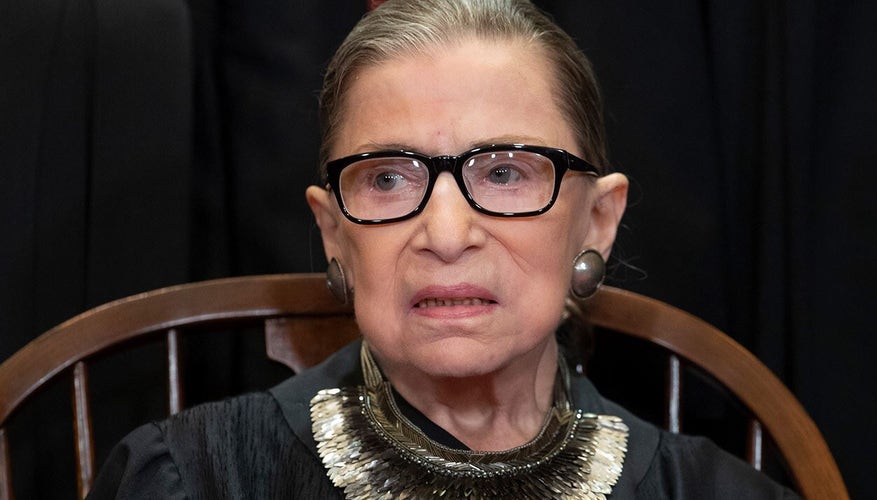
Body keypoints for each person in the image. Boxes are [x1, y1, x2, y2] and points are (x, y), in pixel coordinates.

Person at [89, 0, 797, 498]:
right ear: (334, 230)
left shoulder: (718, 491)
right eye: (389, 178)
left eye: (506, 173)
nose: (448, 235)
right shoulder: (186, 479)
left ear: (598, 220)